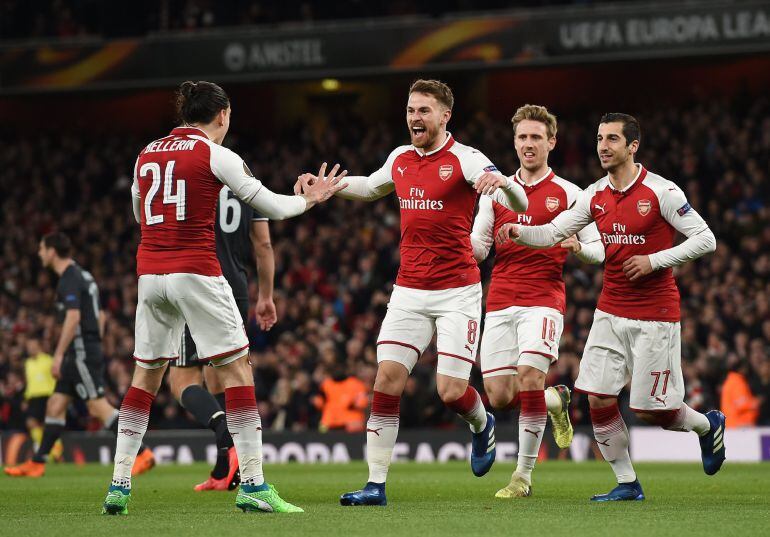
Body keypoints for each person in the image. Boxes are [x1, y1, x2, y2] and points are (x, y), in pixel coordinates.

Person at [101, 80, 346, 515]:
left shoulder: (146, 153)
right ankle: (253, 484)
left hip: (150, 275)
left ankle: (118, 486)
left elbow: (139, 211)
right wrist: (311, 199)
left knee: (145, 379)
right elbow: (271, 206)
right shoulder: (217, 154)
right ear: (223, 115)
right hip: (197, 271)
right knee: (236, 372)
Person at [297, 79, 529, 506]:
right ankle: (375, 485)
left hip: (458, 291)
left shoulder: (466, 159)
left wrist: (502, 183)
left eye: (423, 110)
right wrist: (332, 188)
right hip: (409, 289)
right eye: (410, 110)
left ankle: (482, 424)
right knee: (386, 379)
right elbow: (373, 186)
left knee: (450, 391)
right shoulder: (401, 158)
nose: (414, 118)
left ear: (444, 116)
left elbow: (520, 203)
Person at [497, 113, 725, 501]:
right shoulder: (594, 195)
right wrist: (522, 231)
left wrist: (655, 260)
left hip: (655, 315)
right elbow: (554, 231)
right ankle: (626, 483)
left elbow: (706, 239)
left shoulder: (661, 192)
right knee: (598, 397)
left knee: (654, 411)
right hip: (610, 310)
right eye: (600, 138)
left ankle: (707, 426)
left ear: (633, 146)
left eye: (613, 139)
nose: (603, 146)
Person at [470, 104, 605, 498]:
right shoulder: (496, 192)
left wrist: (579, 245)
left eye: (536, 137)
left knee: (529, 375)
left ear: (552, 141)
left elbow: (598, 250)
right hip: (498, 301)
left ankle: (522, 477)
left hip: (543, 299)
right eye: (522, 137)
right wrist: (457, 246)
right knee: (498, 396)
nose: (528, 144)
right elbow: (479, 246)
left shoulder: (569, 194)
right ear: (514, 142)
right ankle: (554, 400)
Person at [5, 233, 155, 477]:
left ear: (52, 251)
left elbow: (74, 318)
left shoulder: (69, 279)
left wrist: (59, 355)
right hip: (83, 350)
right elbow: (101, 315)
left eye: (42, 248)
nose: (39, 253)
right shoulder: (83, 276)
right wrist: (95, 339)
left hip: (80, 352)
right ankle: (38, 461)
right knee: (55, 405)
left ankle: (143, 453)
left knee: (98, 408)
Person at [168, 186, 276, 491]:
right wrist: (266, 296)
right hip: (235, 287)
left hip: (197, 283)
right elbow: (264, 245)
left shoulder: (194, 174)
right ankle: (224, 471)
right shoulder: (247, 181)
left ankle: (227, 434)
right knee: (221, 379)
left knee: (182, 381)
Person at [22, 337, 63, 460]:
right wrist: (26, 397)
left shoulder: (48, 360)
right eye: (29, 346)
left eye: (33, 346)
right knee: (31, 423)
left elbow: (57, 378)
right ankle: (48, 450)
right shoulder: (28, 363)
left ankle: (55, 452)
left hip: (47, 395)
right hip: (34, 397)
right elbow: (29, 382)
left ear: (39, 346)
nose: (31, 349)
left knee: (48, 425)